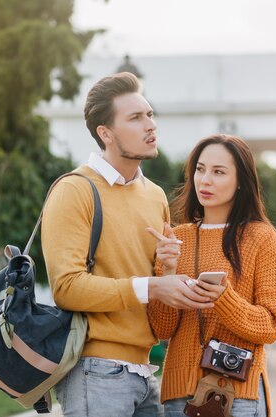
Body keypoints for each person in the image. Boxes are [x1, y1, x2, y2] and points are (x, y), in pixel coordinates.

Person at [41, 72, 213, 417]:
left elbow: (156, 295)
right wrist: (152, 285)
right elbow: (66, 288)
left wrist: (168, 269)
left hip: (144, 372)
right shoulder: (74, 190)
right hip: (95, 371)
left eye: (150, 114)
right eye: (135, 118)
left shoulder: (154, 195)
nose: (150, 125)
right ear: (106, 133)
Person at [147, 134, 276, 417]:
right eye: (200, 169)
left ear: (240, 182)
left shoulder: (261, 237)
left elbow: (271, 326)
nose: (205, 180)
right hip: (179, 395)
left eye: (218, 172)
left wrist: (223, 299)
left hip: (236, 395)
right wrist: (169, 270)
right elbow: (161, 330)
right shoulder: (177, 239)